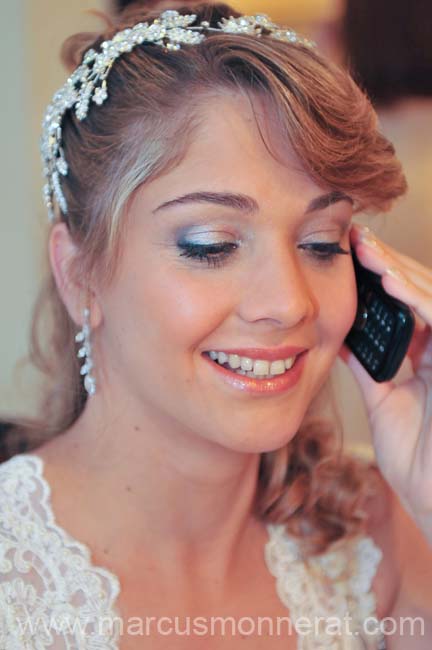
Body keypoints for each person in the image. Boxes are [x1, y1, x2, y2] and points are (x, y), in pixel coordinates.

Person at [0, 1, 431, 647]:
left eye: (320, 243)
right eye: (210, 244)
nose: (289, 303)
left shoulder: (378, 532)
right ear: (80, 273)